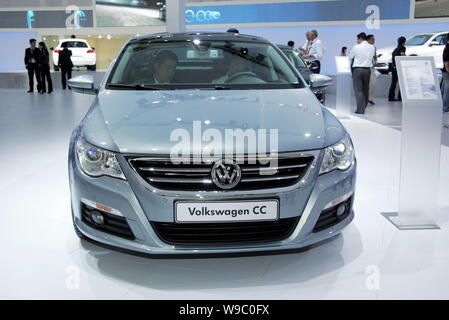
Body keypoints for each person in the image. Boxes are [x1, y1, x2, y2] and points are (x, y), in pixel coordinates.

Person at [349, 32, 376, 114]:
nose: (357, 40)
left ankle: (360, 109)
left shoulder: (356, 47)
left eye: (357, 39)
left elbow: (350, 57)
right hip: (367, 70)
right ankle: (364, 107)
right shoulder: (372, 47)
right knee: (365, 90)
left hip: (358, 69)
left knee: (358, 90)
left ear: (360, 38)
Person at [388, 36, 406, 102]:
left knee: (393, 83)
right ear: (404, 42)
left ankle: (391, 97)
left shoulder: (395, 49)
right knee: (401, 83)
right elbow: (402, 55)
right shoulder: (402, 48)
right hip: (399, 68)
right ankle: (400, 97)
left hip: (393, 68)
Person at [367, 34, 377, 105]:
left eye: (374, 39)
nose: (374, 41)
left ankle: (370, 98)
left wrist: (375, 61)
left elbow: (375, 57)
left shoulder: (374, 48)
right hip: (364, 68)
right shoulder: (363, 48)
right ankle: (365, 98)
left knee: (373, 83)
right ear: (368, 40)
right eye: (372, 39)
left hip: (372, 68)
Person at [441, 37, 449, 112]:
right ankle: (445, 107)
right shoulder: (447, 48)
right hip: (447, 72)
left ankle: (443, 106)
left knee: (444, 89)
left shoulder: (446, 47)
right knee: (447, 90)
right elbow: (446, 62)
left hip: (445, 71)